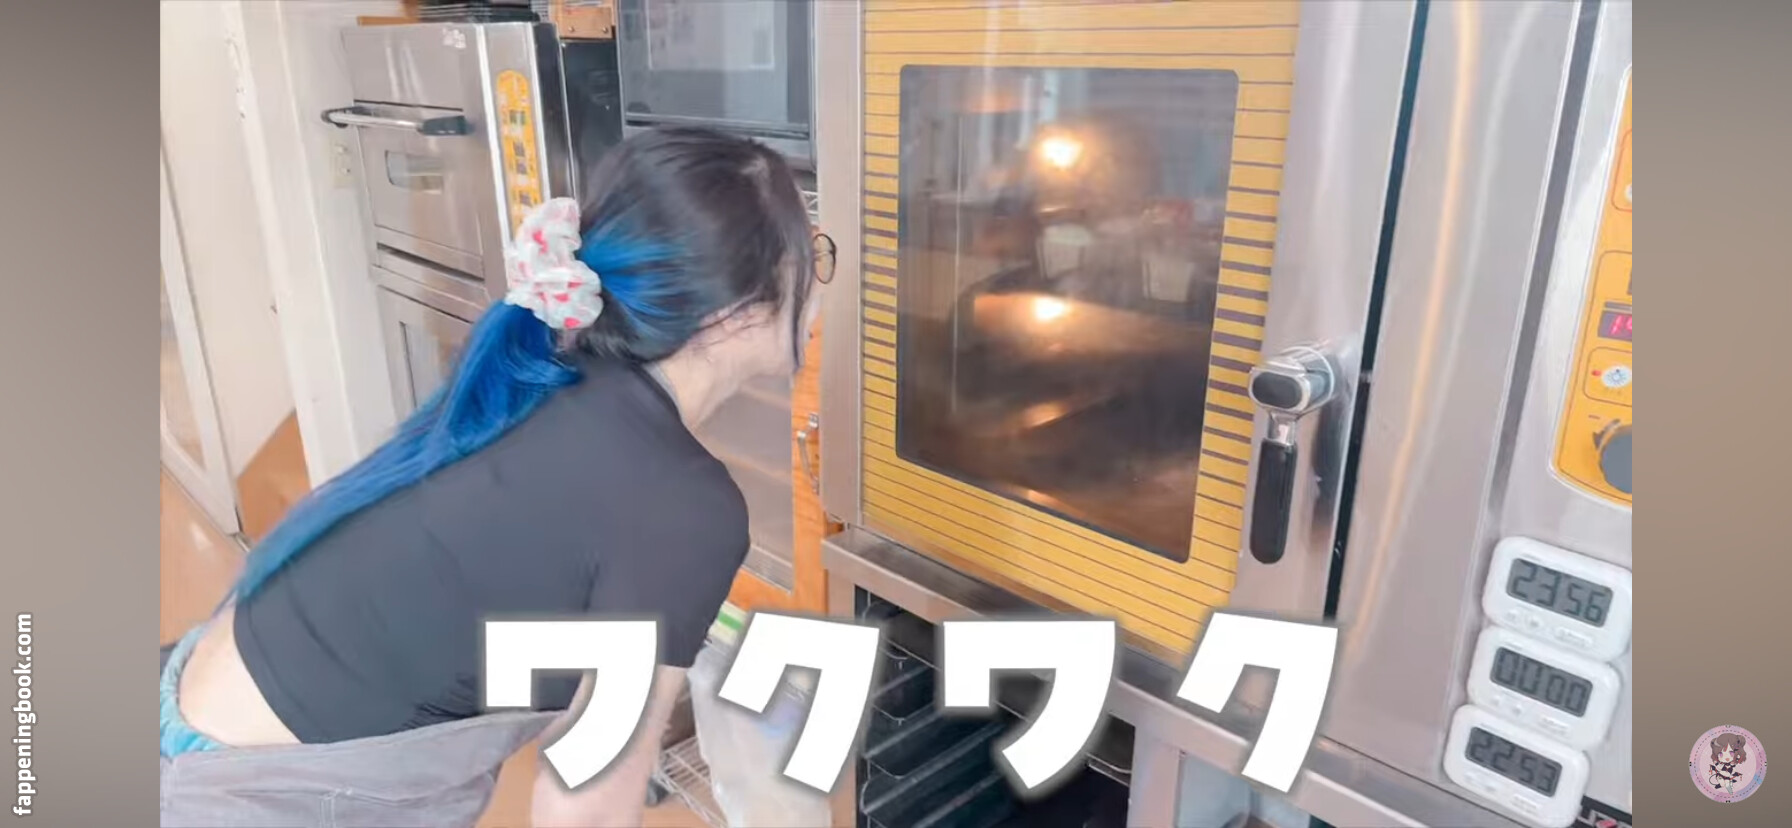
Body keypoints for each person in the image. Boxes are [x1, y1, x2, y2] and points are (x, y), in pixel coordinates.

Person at [158, 126, 834, 827]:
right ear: (733, 316)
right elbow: (586, 809)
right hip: (253, 798)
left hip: (188, 716)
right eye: (810, 257)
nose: (819, 287)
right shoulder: (685, 507)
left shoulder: (546, 375)